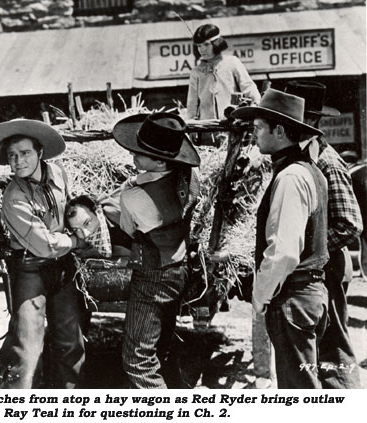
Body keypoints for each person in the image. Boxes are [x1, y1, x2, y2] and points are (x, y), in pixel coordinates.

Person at [232, 89, 329, 388]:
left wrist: (260, 295)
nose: (254, 134)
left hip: (293, 297)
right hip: (307, 294)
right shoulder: (309, 171)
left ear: (281, 130)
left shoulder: (290, 177)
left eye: (259, 128)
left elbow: (284, 252)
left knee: (299, 391)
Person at [0, 119, 86, 389]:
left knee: (71, 342)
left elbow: (70, 208)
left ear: (40, 152)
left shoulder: (59, 174)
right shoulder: (13, 197)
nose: (17, 161)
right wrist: (77, 240)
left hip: (63, 268)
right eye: (12, 156)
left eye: (24, 153)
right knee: (27, 349)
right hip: (30, 269)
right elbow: (44, 245)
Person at [112, 112, 201, 388]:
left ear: (161, 160)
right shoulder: (189, 176)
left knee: (137, 360)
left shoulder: (135, 198)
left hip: (152, 274)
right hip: (179, 266)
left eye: (139, 154)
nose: (132, 157)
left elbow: (128, 229)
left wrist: (112, 205)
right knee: (159, 347)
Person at [285, 80, 363, 388]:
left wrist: (313, 250)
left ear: (311, 122)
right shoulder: (305, 158)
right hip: (321, 267)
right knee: (320, 352)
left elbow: (349, 223)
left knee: (334, 351)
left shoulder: (327, 161)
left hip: (327, 269)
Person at [186, 24, 260, 121]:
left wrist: (256, 104)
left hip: (232, 124)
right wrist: (191, 124)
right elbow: (192, 103)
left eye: (206, 44)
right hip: (207, 127)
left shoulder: (232, 62)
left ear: (217, 43)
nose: (202, 49)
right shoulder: (196, 72)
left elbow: (248, 87)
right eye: (199, 45)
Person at [65, 194, 132, 259]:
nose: (86, 234)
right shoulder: (81, 239)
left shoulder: (118, 213)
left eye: (87, 223)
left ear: (98, 212)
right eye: (76, 229)